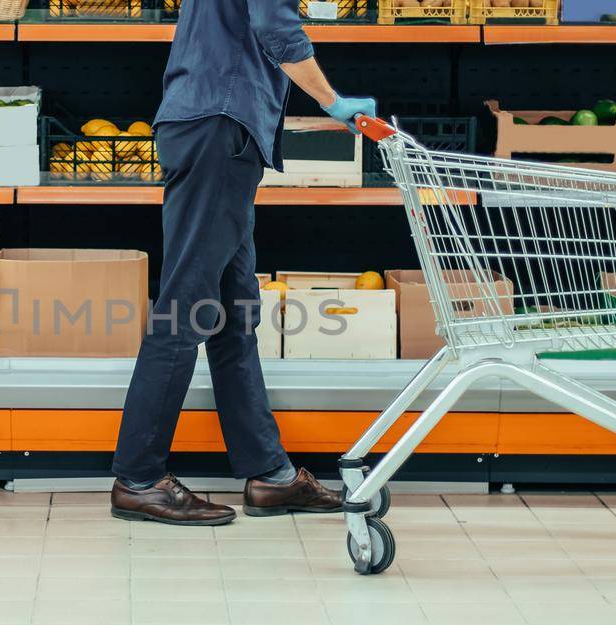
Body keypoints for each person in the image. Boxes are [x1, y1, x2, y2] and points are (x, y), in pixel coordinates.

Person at [110, 0, 377, 525]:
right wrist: (332, 101)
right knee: (184, 307)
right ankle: (139, 478)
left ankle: (270, 475)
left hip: (213, 126)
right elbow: (276, 28)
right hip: (219, 126)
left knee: (234, 315)